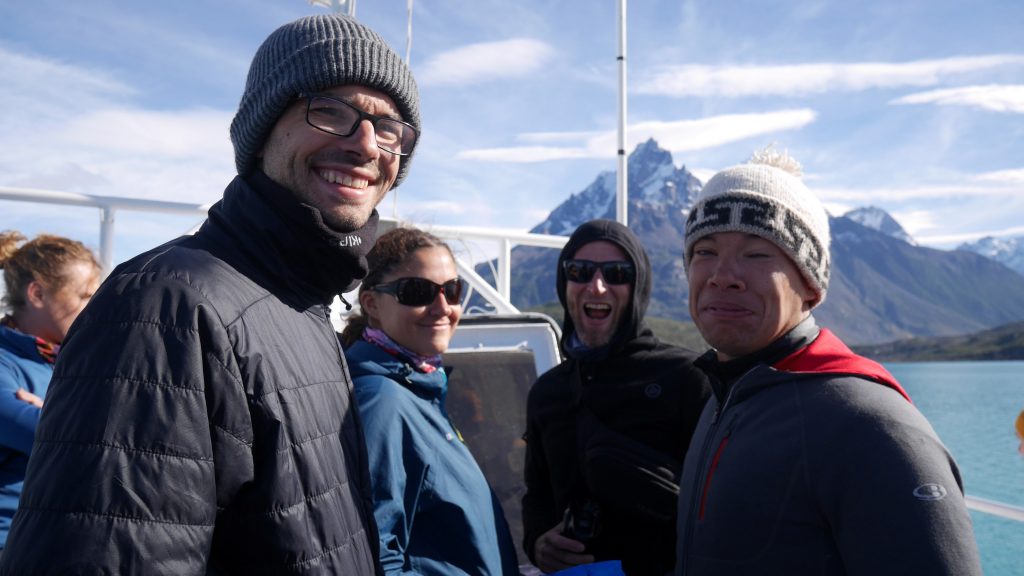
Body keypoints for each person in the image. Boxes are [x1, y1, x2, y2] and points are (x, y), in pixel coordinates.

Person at [0, 13, 420, 575]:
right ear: (263, 131)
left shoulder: (302, 305)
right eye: (331, 111)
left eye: (388, 127)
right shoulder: (163, 308)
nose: (366, 144)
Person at [675, 149, 982, 575]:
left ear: (810, 284)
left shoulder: (872, 426)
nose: (722, 275)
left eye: (757, 254)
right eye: (704, 251)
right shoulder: (723, 398)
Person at [522, 219, 712, 575]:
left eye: (616, 274)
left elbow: (721, 506)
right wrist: (536, 542)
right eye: (579, 272)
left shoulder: (688, 378)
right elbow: (537, 494)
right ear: (565, 283)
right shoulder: (547, 392)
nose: (597, 286)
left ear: (637, 287)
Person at [340, 227, 519, 575]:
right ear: (372, 303)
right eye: (417, 292)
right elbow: (374, 558)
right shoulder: (382, 401)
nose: (443, 308)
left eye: (452, 291)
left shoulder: (419, 390)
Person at [0, 231, 100, 551]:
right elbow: (56, 439)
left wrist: (47, 411)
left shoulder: (67, 363)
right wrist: (59, 416)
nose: (94, 309)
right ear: (38, 294)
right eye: (85, 296)